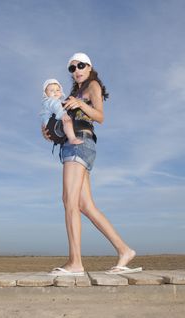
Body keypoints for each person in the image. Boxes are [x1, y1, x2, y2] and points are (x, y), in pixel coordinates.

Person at [42, 53, 142, 276]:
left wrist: (79, 104)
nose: (76, 70)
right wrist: (49, 131)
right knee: (85, 206)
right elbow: (63, 121)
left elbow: (100, 116)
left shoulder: (93, 85)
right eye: (72, 68)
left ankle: (75, 262)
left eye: (80, 65)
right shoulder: (74, 92)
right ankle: (124, 250)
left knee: (69, 200)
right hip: (73, 146)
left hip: (80, 145)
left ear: (89, 67)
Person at [40, 79, 83, 145]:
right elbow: (56, 106)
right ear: (46, 93)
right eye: (51, 90)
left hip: (51, 130)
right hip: (53, 126)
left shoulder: (47, 103)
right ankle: (72, 138)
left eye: (57, 90)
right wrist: (63, 114)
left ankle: (68, 137)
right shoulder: (51, 101)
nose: (55, 92)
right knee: (67, 120)